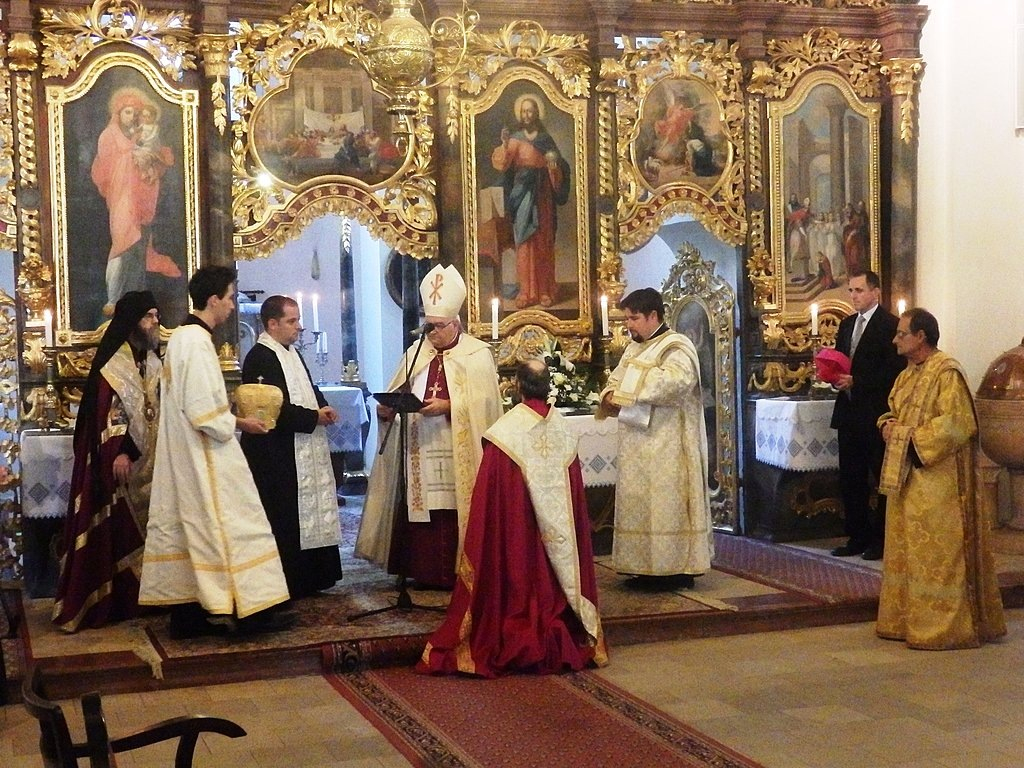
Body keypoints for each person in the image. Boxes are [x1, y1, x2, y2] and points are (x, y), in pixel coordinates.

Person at [417, 359, 607, 676]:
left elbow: (488, 504)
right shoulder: (564, 431)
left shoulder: (505, 434)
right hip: (558, 548)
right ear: (548, 386)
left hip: (518, 538)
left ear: (517, 386)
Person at [137, 266, 294, 639]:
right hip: (207, 453)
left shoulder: (183, 337)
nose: (232, 305)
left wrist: (231, 418)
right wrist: (239, 422)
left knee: (197, 531)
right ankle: (251, 611)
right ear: (213, 300)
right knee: (239, 523)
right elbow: (203, 411)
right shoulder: (194, 341)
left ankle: (191, 614)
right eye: (230, 297)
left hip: (189, 452)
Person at [355, 264, 502, 589]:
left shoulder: (477, 354)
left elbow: (486, 405)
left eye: (438, 326)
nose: (431, 333)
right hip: (419, 446)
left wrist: (449, 407)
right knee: (421, 508)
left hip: (456, 448)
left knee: (453, 506)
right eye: (428, 326)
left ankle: (460, 571)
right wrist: (387, 411)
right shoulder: (416, 353)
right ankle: (423, 571)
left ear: (455, 323)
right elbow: (399, 391)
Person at [876, 308, 1006, 649]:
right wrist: (887, 424)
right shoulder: (907, 374)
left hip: (939, 481)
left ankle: (943, 627)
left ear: (921, 337)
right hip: (906, 479)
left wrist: (908, 438)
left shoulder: (947, 373)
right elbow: (892, 408)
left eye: (902, 334)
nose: (895, 340)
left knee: (938, 556)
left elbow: (957, 423)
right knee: (909, 553)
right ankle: (906, 620)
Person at [51, 291, 162, 632]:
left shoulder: (153, 361)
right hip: (120, 463)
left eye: (156, 315)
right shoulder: (113, 365)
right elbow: (109, 414)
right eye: (149, 316)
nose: (156, 322)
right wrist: (123, 451)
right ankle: (114, 602)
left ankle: (147, 598)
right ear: (132, 323)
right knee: (118, 528)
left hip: (155, 463)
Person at [596, 287, 712, 589]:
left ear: (653, 316)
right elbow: (614, 381)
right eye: (626, 319)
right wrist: (609, 395)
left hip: (668, 445)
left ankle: (673, 569)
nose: (628, 325)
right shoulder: (633, 349)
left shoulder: (676, 347)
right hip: (636, 445)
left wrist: (628, 390)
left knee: (665, 508)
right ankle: (643, 568)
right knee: (639, 505)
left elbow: (676, 383)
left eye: (634, 318)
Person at [240, 295, 343, 599]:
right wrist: (313, 417)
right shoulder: (260, 357)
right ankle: (291, 580)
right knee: (285, 515)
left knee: (306, 510)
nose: (299, 327)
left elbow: (308, 388)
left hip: (300, 444)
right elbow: (272, 409)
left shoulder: (291, 352)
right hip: (276, 453)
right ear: (272, 324)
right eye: (292, 321)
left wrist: (322, 406)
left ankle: (313, 576)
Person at [829, 271, 905, 561]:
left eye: (859, 290)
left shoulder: (891, 326)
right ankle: (856, 536)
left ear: (875, 292)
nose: (854, 296)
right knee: (851, 478)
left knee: (880, 477)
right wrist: (834, 377)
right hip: (849, 413)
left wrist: (857, 381)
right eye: (850, 290)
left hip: (875, 413)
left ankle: (881, 540)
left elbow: (893, 371)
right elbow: (841, 361)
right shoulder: (847, 324)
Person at [91, 88, 178, 316]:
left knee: (137, 249)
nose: (132, 117)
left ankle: (135, 297)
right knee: (121, 244)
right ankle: (113, 299)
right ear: (118, 113)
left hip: (138, 199)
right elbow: (105, 168)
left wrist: (149, 157)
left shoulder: (137, 135)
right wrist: (133, 156)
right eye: (127, 112)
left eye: (134, 113)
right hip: (120, 199)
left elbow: (155, 160)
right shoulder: (108, 135)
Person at [491, 95, 570, 310]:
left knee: (543, 242)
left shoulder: (545, 139)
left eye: (530, 111)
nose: (527, 115)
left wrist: (554, 166)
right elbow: (503, 164)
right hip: (522, 193)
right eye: (524, 111)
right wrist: (504, 143)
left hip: (543, 195)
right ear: (520, 114)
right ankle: (526, 292)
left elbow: (559, 166)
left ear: (536, 113)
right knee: (524, 243)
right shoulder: (515, 138)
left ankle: (545, 290)